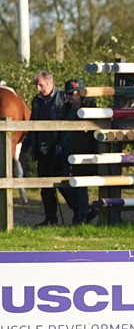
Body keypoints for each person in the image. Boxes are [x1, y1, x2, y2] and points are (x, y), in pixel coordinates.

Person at [21, 70, 70, 226]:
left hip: (58, 151)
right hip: (41, 151)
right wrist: (25, 149)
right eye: (37, 85)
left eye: (41, 85)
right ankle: (50, 218)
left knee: (63, 184)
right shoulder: (37, 101)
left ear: (50, 83)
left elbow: (65, 127)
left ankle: (81, 211)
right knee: (45, 187)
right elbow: (32, 126)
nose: (38, 88)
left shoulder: (63, 98)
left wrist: (52, 145)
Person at [62, 79, 97, 224]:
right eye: (67, 94)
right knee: (64, 184)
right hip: (66, 151)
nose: (69, 97)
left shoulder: (90, 110)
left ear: (80, 94)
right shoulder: (66, 109)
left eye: (72, 93)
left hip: (83, 152)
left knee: (81, 186)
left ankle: (81, 217)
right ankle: (83, 210)